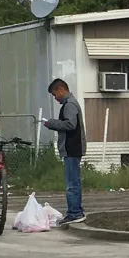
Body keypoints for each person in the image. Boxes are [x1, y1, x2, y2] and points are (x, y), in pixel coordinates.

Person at [42, 79, 88, 225]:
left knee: (71, 183)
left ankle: (74, 213)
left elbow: (70, 124)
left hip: (71, 148)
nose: (55, 98)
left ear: (61, 89)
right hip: (73, 148)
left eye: (55, 94)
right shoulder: (71, 103)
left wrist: (51, 123)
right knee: (74, 181)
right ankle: (77, 211)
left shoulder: (69, 105)